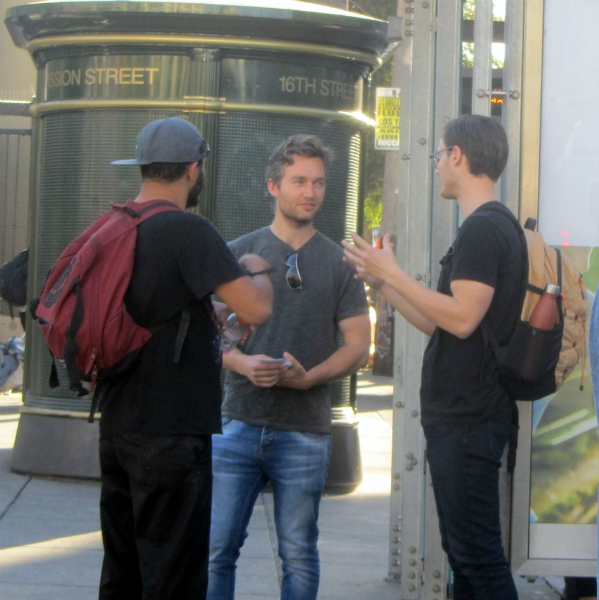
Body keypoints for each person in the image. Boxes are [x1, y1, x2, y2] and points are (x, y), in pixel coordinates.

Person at [343, 114, 522, 600]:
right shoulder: (485, 228)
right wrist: (382, 281)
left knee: (476, 560)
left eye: (438, 154)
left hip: (469, 416)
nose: (438, 165)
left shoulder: (484, 230)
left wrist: (392, 272)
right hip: (466, 416)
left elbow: (462, 317)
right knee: (465, 558)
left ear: (458, 156)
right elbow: (438, 320)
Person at [97, 117, 274, 600]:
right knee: (174, 576)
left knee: (123, 570)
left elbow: (150, 305)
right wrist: (257, 268)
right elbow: (255, 306)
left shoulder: (119, 223)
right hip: (170, 431)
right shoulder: (186, 229)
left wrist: (204, 312)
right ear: (194, 169)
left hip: (117, 423)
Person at [207, 134, 371, 600]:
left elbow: (360, 345)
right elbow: (205, 335)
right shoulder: (236, 253)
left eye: (318, 182)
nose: (311, 192)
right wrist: (239, 362)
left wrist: (308, 378)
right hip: (237, 423)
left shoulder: (339, 262)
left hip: (305, 431)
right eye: (299, 180)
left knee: (298, 554)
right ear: (273, 186)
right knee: (217, 550)